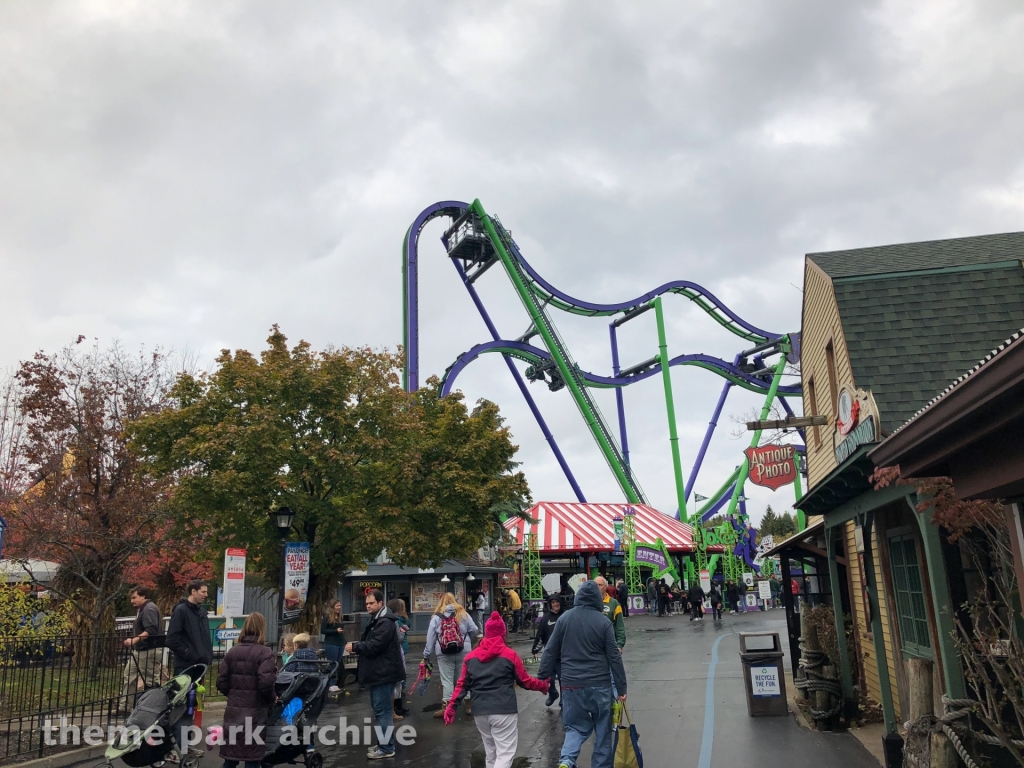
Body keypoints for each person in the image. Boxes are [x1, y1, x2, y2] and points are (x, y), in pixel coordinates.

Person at [443, 612, 549, 768]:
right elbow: (525, 681)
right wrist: (543, 686)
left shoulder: (470, 657)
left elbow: (462, 685)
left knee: (491, 753)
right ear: (503, 633)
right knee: (505, 754)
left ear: (486, 633)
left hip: (480, 711)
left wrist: (451, 707)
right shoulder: (510, 655)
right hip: (503, 709)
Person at [539, 580, 627, 768]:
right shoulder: (603, 622)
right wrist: (621, 688)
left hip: (571, 684)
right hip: (600, 685)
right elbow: (614, 657)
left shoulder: (564, 619)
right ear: (597, 599)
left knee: (575, 727)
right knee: (603, 731)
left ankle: (567, 760)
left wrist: (542, 677)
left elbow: (550, 650)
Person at [345, 589, 405, 760]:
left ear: (381, 603)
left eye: (371, 603)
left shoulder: (384, 621)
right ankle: (383, 744)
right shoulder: (380, 619)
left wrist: (356, 647)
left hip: (382, 673)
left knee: (383, 711)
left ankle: (386, 747)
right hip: (381, 672)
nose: (368, 606)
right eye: (366, 604)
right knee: (381, 710)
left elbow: (375, 645)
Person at [216, 612, 277, 768]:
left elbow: (221, 681)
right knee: (252, 757)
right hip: (255, 711)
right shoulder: (265, 653)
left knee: (230, 757)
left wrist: (233, 695)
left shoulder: (232, 652)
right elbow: (266, 682)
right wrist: (272, 698)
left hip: (234, 711)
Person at [165, 580, 214, 761]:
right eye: (202, 591)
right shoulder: (181, 611)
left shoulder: (201, 612)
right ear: (193, 591)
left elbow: (204, 638)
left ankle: (184, 745)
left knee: (191, 707)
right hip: (185, 667)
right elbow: (171, 639)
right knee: (181, 706)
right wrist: (190, 654)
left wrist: (206, 656)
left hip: (199, 667)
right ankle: (174, 748)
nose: (205, 594)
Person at [423, 592, 478, 719]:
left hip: (443, 652)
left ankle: (447, 709)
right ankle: (468, 706)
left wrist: (426, 655)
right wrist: (467, 639)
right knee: (463, 679)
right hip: (463, 651)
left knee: (447, 680)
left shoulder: (437, 617)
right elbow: (474, 629)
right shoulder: (463, 613)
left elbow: (430, 638)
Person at [119, 586, 163, 712]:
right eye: (131, 598)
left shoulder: (149, 609)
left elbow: (151, 629)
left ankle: (152, 708)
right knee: (129, 676)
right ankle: (125, 707)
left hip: (149, 650)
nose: (131, 601)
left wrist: (134, 640)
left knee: (150, 681)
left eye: (134, 597)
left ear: (143, 596)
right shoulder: (142, 609)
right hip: (140, 650)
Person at [531, 596, 563, 706]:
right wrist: (535, 649)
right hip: (550, 655)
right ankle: (552, 693)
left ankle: (564, 701)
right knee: (547, 678)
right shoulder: (546, 619)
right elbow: (540, 635)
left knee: (564, 679)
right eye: (553, 602)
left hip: (563, 655)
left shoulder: (565, 616)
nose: (555, 604)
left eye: (557, 602)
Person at [387, 598, 411, 719]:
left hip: (392, 652)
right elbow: (399, 638)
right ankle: (394, 709)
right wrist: (402, 631)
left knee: (396, 683)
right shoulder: (395, 620)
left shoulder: (383, 619)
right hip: (396, 652)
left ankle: (396, 707)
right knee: (397, 681)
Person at [320, 598, 345, 694]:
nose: (339, 607)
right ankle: (331, 683)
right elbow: (323, 630)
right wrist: (335, 631)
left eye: (340, 605)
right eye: (337, 606)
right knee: (332, 663)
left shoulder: (339, 617)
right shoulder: (327, 617)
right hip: (331, 643)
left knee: (338, 663)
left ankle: (335, 683)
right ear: (332, 607)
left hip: (340, 642)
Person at [593, 577, 625, 650]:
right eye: (596, 585)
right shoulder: (589, 603)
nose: (598, 587)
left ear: (606, 586)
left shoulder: (614, 604)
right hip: (593, 646)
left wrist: (620, 645)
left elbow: (620, 626)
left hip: (609, 645)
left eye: (600, 585)